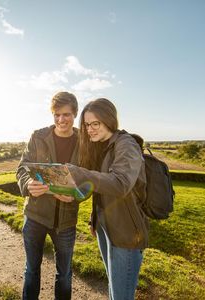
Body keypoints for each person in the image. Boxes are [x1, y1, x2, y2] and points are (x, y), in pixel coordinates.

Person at [67, 98, 148, 300]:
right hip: (106, 225)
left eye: (96, 124)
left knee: (120, 295)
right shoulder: (101, 145)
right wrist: (92, 217)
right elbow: (97, 186)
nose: (90, 129)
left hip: (126, 232)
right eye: (87, 125)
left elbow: (120, 184)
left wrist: (79, 173)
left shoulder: (126, 145)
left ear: (110, 121)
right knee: (113, 288)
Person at [16, 91, 80, 300]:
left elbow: (90, 182)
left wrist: (76, 196)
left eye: (66, 115)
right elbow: (22, 169)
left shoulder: (84, 142)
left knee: (64, 275)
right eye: (57, 115)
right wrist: (27, 184)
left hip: (66, 220)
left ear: (75, 114)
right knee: (32, 270)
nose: (61, 120)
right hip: (35, 216)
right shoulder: (38, 137)